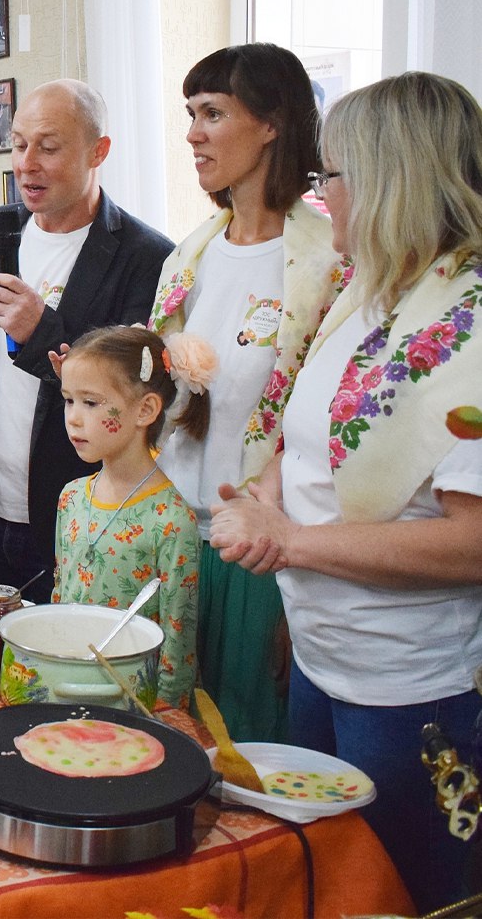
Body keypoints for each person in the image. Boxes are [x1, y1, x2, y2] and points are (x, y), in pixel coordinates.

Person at [209, 71, 482, 913]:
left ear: (391, 180)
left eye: (333, 176)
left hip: (409, 688)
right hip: (326, 663)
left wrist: (290, 542)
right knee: (329, 884)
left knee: (406, 893)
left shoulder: (468, 324)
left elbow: (471, 543)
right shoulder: (365, 293)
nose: (322, 197)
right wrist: (260, 502)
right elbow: (303, 436)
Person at [147, 43, 352, 743]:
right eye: (190, 114)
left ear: (272, 123)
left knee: (249, 750)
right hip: (172, 536)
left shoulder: (331, 263)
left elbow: (335, 431)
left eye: (213, 113)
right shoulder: (190, 255)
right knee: (167, 737)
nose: (193, 133)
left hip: (261, 554)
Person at [0, 79, 173, 601]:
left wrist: (43, 333)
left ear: (98, 151)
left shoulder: (146, 257)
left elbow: (129, 391)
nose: (26, 163)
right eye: (18, 144)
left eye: (49, 147)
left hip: (77, 515)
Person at [52, 326, 211, 709]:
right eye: (68, 400)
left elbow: (178, 642)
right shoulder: (72, 497)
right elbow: (60, 596)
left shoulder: (170, 520)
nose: (73, 418)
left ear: (145, 410)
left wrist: (166, 716)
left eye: (90, 403)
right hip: (64, 685)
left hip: (130, 706)